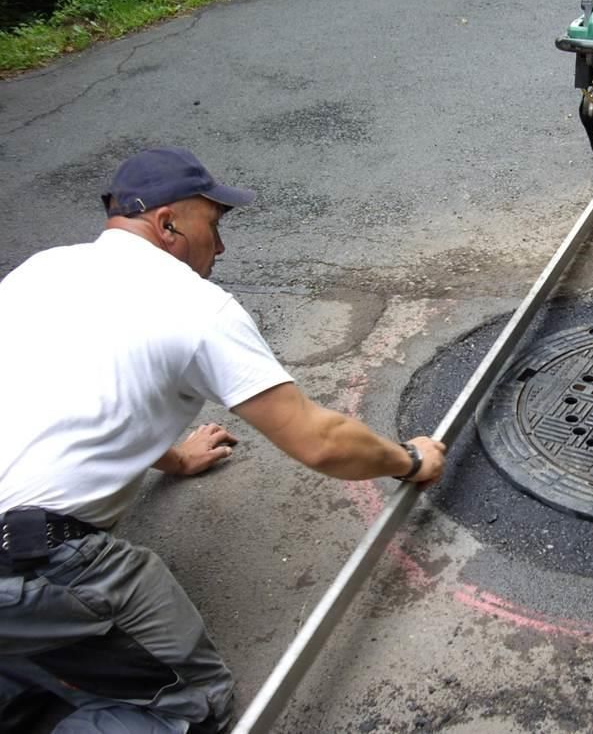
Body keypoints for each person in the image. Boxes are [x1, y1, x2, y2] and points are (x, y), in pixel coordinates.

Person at [0, 146, 447, 733]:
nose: (223, 246)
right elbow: (319, 440)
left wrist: (175, 457)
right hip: (35, 559)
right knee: (190, 702)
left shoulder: (40, 270)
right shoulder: (194, 307)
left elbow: (70, 400)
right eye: (212, 225)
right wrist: (410, 460)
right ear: (167, 225)